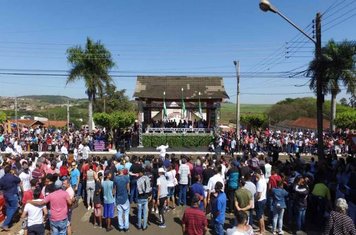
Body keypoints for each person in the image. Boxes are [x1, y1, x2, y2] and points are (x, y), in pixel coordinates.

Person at [0, 165, 21, 231]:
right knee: (14, 208)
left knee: (9, 208)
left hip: (6, 195)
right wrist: (14, 174)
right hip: (12, 194)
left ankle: (7, 223)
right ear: (10, 170)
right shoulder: (12, 177)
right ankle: (5, 224)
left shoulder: (2, 178)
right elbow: (18, 180)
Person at [114, 165, 130, 232]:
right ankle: (126, 226)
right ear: (122, 170)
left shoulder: (116, 178)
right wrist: (129, 193)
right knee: (126, 213)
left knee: (120, 213)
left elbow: (114, 189)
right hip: (125, 197)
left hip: (118, 197)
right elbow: (128, 188)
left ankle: (120, 226)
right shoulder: (126, 177)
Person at [136, 166, 152, 230]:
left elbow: (138, 190)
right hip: (145, 197)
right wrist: (149, 195)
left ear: (141, 173)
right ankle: (144, 226)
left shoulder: (138, 180)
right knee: (145, 213)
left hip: (140, 198)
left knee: (139, 212)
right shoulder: (147, 178)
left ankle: (139, 225)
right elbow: (149, 188)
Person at [255, 169, 267, 235]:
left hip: (259, 200)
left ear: (258, 174)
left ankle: (261, 231)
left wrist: (255, 200)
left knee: (259, 217)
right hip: (264, 199)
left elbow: (259, 195)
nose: (254, 175)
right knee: (262, 215)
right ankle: (263, 229)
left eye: (255, 174)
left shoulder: (259, 182)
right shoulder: (263, 179)